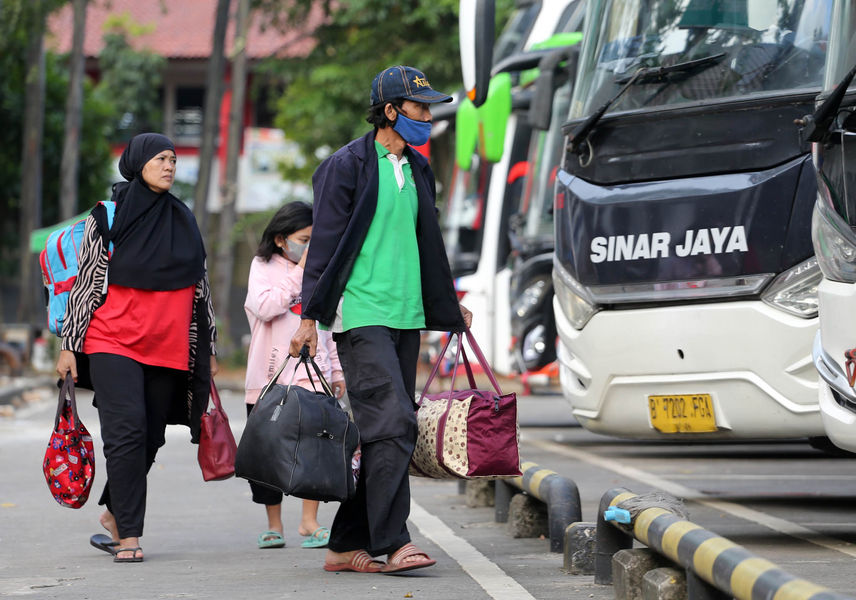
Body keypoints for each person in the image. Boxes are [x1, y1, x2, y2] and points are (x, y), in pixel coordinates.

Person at [289, 65, 473, 574]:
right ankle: (394, 542)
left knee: (386, 432)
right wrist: (310, 317)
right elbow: (324, 244)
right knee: (394, 421)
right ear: (390, 111)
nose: (428, 117)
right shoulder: (345, 166)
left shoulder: (417, 168)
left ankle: (345, 544)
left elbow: (427, 242)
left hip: (406, 312)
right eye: (419, 108)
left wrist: (447, 302)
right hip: (362, 311)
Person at [55, 133, 218, 564]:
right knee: (126, 432)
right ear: (139, 162)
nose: (168, 166)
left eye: (173, 159)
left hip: (168, 345)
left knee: (150, 436)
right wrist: (70, 344)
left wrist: (210, 346)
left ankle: (114, 511)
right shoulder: (107, 217)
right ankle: (129, 535)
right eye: (160, 158)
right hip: (112, 339)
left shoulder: (183, 218)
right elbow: (86, 283)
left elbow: (200, 287)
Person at [243, 201, 345, 550]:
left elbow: (328, 323)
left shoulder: (322, 270)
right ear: (280, 239)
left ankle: (309, 521)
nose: (310, 246)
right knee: (267, 452)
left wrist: (337, 369)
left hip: (313, 374)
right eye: (304, 239)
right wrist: (301, 270)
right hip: (269, 375)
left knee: (315, 447)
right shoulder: (263, 266)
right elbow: (267, 306)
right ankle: (274, 524)